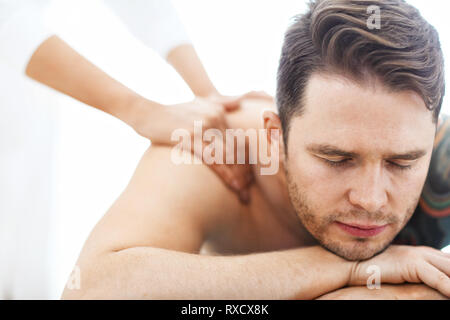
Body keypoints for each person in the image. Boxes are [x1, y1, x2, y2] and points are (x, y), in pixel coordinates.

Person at [61, 0, 450, 300]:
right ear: (274, 136)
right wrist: (343, 271)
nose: (369, 199)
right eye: (336, 159)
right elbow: (91, 288)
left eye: (402, 162)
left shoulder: (443, 156)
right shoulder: (216, 154)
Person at [0, 0, 270, 298]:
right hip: (17, 77)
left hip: (26, 91)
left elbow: (146, 8)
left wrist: (210, 99)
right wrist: (142, 112)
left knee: (21, 253)